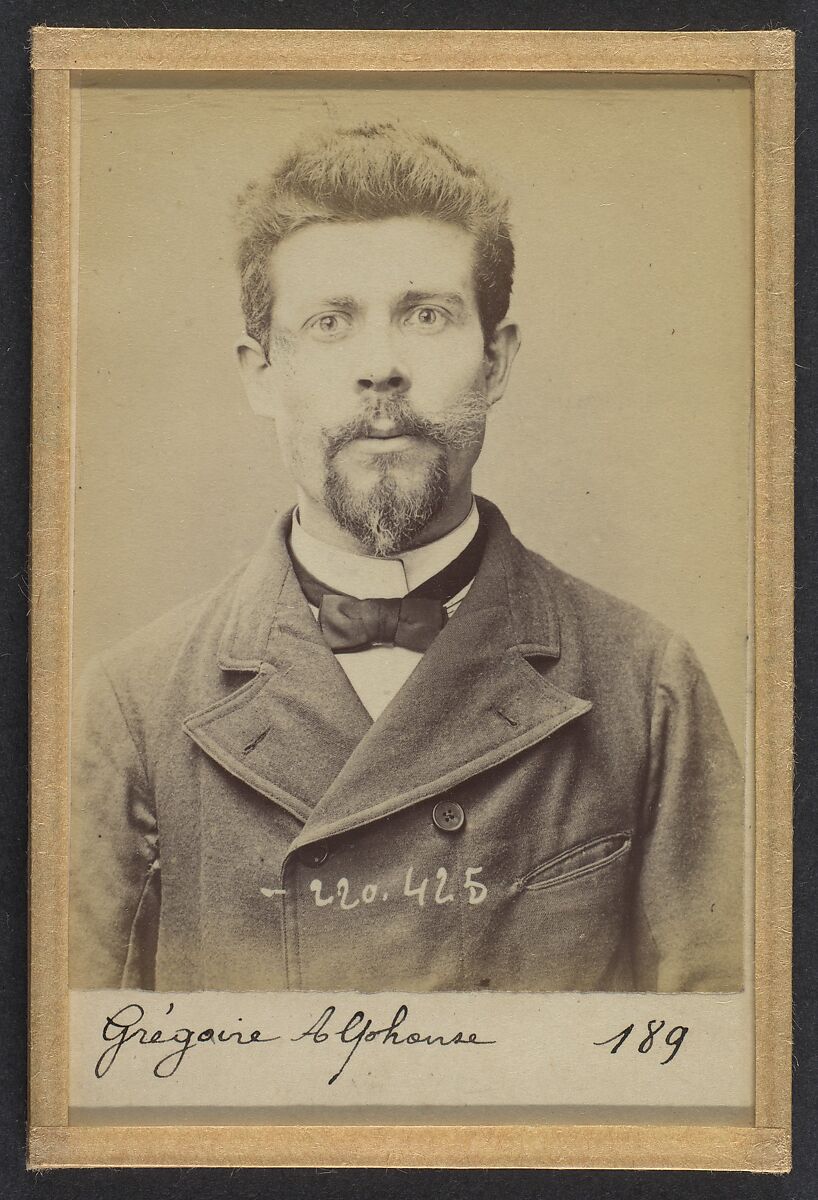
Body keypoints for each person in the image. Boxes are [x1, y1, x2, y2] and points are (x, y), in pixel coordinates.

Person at [70, 123, 744, 994]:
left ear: (495, 362)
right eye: (329, 322)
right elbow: (77, 1082)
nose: (381, 366)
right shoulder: (135, 702)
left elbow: (722, 1074)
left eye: (426, 316)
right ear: (260, 375)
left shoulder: (648, 686)